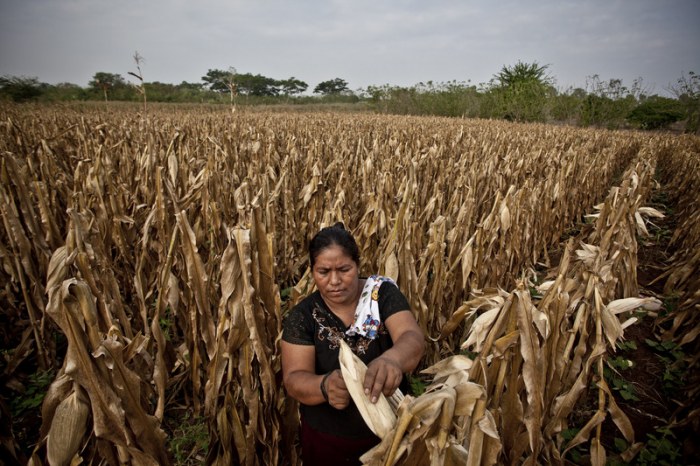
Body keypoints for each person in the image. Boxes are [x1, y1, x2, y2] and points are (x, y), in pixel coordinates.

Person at [281, 223, 425, 465]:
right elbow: (294, 378)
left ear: (358, 265)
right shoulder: (303, 317)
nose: (335, 280)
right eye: (323, 272)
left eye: (344, 269)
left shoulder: (382, 295)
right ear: (312, 271)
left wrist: (392, 360)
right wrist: (324, 386)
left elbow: (411, 337)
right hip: (329, 442)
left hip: (393, 434)